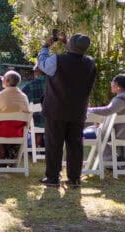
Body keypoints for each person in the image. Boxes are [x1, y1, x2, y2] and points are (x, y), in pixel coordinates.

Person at [36, 33, 97, 187]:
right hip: (78, 110)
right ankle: (74, 178)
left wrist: (45, 47)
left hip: (56, 109)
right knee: (75, 145)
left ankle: (53, 177)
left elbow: (43, 64)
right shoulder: (90, 62)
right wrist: (68, 44)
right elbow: (75, 57)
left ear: (70, 46)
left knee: (54, 144)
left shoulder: (58, 59)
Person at [88, 74, 125, 144]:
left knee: (96, 131)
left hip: (123, 132)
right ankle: (109, 155)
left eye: (112, 81)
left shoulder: (122, 97)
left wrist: (88, 110)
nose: (111, 83)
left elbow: (108, 110)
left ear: (117, 84)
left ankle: (108, 155)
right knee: (98, 128)